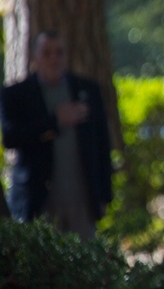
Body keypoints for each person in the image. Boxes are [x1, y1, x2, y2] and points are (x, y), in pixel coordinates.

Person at [1, 31, 113, 239]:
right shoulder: (16, 95)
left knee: (84, 261)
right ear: (35, 57)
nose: (54, 58)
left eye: (59, 53)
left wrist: (104, 195)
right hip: (39, 200)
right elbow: (10, 138)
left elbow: (102, 145)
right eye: (47, 53)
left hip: (81, 199)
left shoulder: (87, 89)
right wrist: (54, 122)